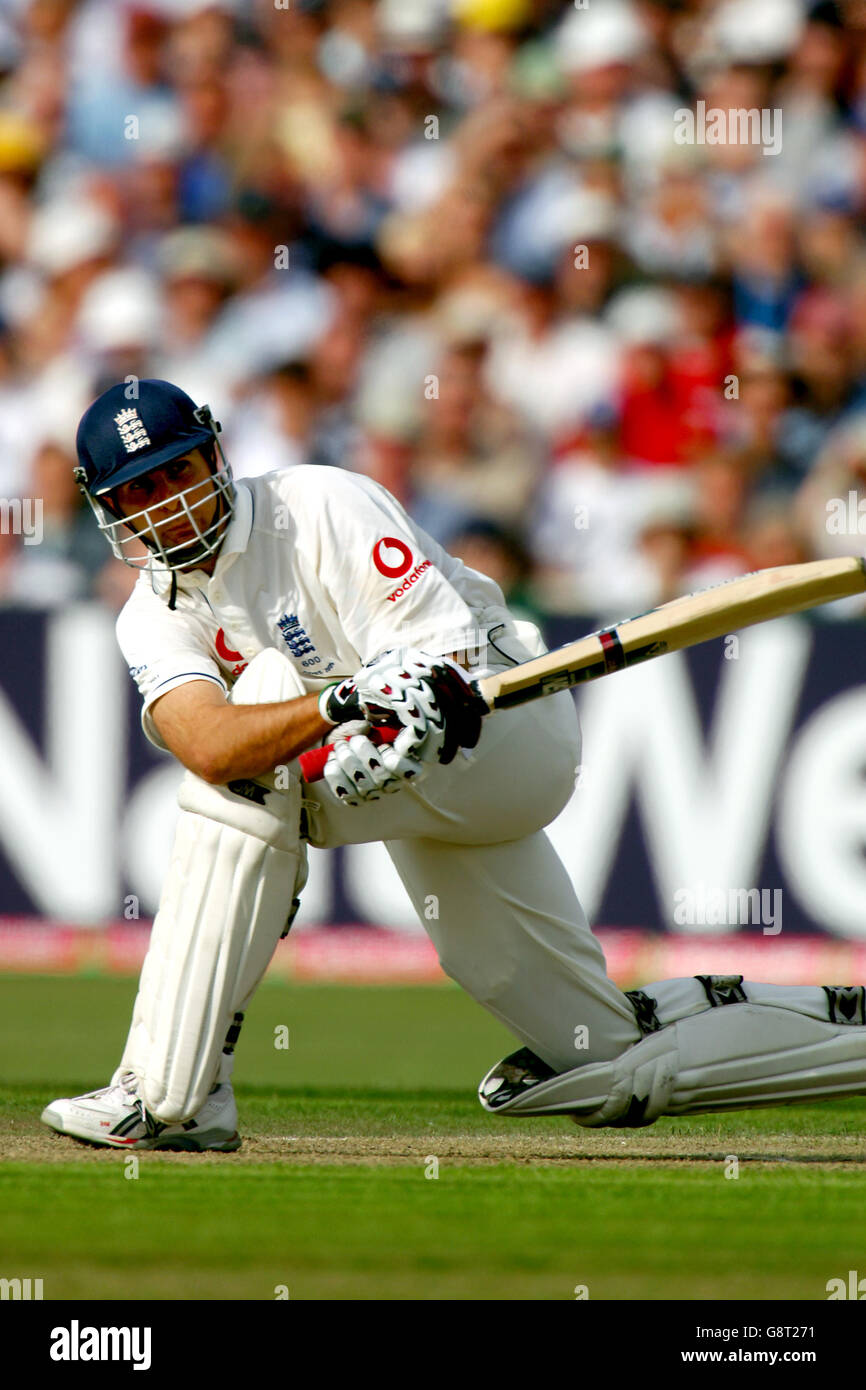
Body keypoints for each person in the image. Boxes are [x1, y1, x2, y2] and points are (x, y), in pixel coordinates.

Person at [42, 379, 866, 1149]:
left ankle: (170, 1096)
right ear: (109, 507)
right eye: (141, 490)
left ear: (214, 455)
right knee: (601, 1060)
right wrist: (343, 712)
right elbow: (207, 741)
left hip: (502, 739)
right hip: (390, 781)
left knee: (261, 720)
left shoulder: (319, 502)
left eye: (177, 471)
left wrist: (392, 719)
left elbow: (447, 657)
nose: (170, 503)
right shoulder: (150, 616)